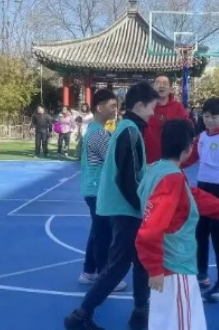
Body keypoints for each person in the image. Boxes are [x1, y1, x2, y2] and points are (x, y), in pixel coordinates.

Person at [135, 119, 219, 330]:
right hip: (174, 265)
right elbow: (150, 229)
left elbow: (192, 197)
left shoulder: (159, 169)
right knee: (183, 321)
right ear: (188, 149)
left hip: (169, 264)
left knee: (166, 320)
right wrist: (154, 268)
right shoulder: (171, 178)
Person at [64, 82, 159, 330]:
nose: (153, 113)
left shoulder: (126, 129)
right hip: (125, 209)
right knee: (118, 265)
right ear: (140, 106)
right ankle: (80, 315)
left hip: (124, 207)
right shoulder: (129, 131)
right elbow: (127, 178)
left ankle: (140, 312)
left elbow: (131, 170)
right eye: (152, 107)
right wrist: (143, 206)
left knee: (139, 261)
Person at [181, 97, 219, 301]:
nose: (209, 120)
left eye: (214, 116)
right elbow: (192, 157)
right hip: (202, 188)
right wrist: (173, 163)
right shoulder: (202, 137)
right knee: (201, 233)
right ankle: (202, 274)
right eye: (206, 116)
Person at [78, 89, 127, 291]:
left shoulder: (95, 129)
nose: (116, 109)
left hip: (94, 188)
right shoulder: (98, 133)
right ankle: (104, 275)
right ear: (99, 108)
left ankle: (89, 271)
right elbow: (115, 159)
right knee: (104, 234)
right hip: (98, 189)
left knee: (97, 231)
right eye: (112, 106)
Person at [143, 75, 187, 164]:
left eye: (165, 83)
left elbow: (186, 130)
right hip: (148, 161)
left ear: (170, 88)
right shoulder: (145, 106)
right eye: (158, 83)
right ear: (153, 87)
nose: (161, 86)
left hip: (172, 161)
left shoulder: (178, 107)